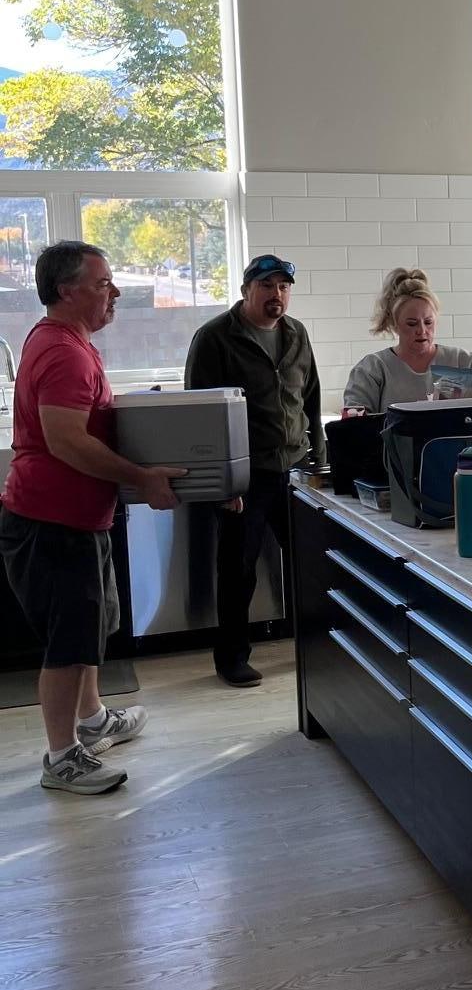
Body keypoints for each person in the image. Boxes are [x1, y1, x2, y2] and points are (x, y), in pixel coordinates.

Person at [0, 241, 180, 795]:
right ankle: (62, 758)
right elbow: (66, 441)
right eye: (103, 284)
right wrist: (142, 477)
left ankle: (94, 719)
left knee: (92, 625)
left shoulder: (64, 341)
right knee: (69, 642)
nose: (115, 293)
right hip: (53, 521)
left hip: (77, 517)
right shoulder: (65, 353)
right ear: (66, 291)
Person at [185, 252, 325, 688]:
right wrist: (222, 481)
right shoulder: (215, 337)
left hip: (295, 468)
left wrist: (319, 456)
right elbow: (201, 413)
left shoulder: (296, 333)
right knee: (238, 569)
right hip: (245, 475)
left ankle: (315, 645)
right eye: (266, 285)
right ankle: (231, 658)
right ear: (246, 289)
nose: (276, 294)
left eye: (283, 286)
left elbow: (311, 397)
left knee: (309, 561)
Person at [342, 267, 472, 414]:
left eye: (428, 322)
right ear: (394, 324)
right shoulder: (371, 370)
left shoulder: (467, 363)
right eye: (412, 324)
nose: (422, 330)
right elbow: (355, 425)